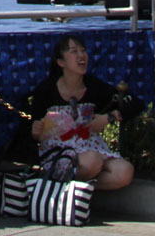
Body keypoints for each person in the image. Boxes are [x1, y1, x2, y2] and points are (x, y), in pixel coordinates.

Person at [27, 32, 134, 190]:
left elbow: (132, 103)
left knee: (124, 171)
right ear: (61, 62)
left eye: (83, 50)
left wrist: (108, 118)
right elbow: (31, 126)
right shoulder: (46, 90)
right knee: (92, 161)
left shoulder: (94, 87)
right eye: (74, 51)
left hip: (91, 146)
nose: (81, 55)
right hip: (61, 152)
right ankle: (58, 187)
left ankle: (79, 192)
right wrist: (35, 131)